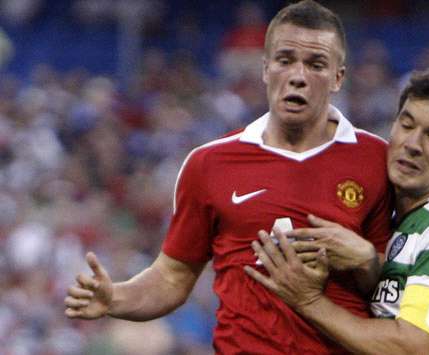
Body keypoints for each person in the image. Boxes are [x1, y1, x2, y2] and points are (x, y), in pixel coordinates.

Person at [64, 1, 393, 354]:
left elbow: (394, 292)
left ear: (338, 77)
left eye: (315, 65)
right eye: (285, 61)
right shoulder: (210, 163)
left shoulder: (378, 160)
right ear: (266, 69)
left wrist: (367, 261)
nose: (298, 76)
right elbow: (173, 277)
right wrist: (116, 296)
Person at [246, 69, 429, 354]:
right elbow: (393, 306)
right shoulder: (394, 222)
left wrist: (309, 301)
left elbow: (411, 347)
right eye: (406, 125)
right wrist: (369, 266)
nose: (413, 144)